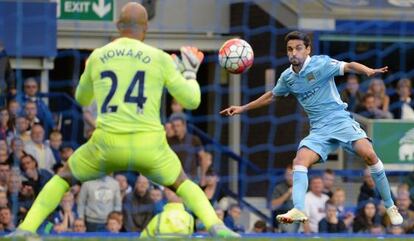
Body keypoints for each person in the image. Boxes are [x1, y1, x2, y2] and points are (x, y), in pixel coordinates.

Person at [10, 2, 237, 238]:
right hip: (149, 146)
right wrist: (189, 73)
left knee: (62, 178)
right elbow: (191, 101)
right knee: (183, 182)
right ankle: (217, 226)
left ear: (118, 25)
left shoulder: (98, 56)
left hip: (107, 144)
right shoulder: (159, 58)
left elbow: (81, 97)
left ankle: (25, 228)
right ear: (146, 28)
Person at [220, 31, 403, 226]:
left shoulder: (321, 63)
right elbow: (272, 96)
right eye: (290, 49)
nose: (294, 53)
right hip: (318, 130)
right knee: (299, 160)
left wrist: (367, 71)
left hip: (340, 121)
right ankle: (299, 208)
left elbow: (348, 65)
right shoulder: (288, 78)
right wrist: (242, 108)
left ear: (308, 49)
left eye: (299, 48)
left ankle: (390, 206)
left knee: (369, 155)